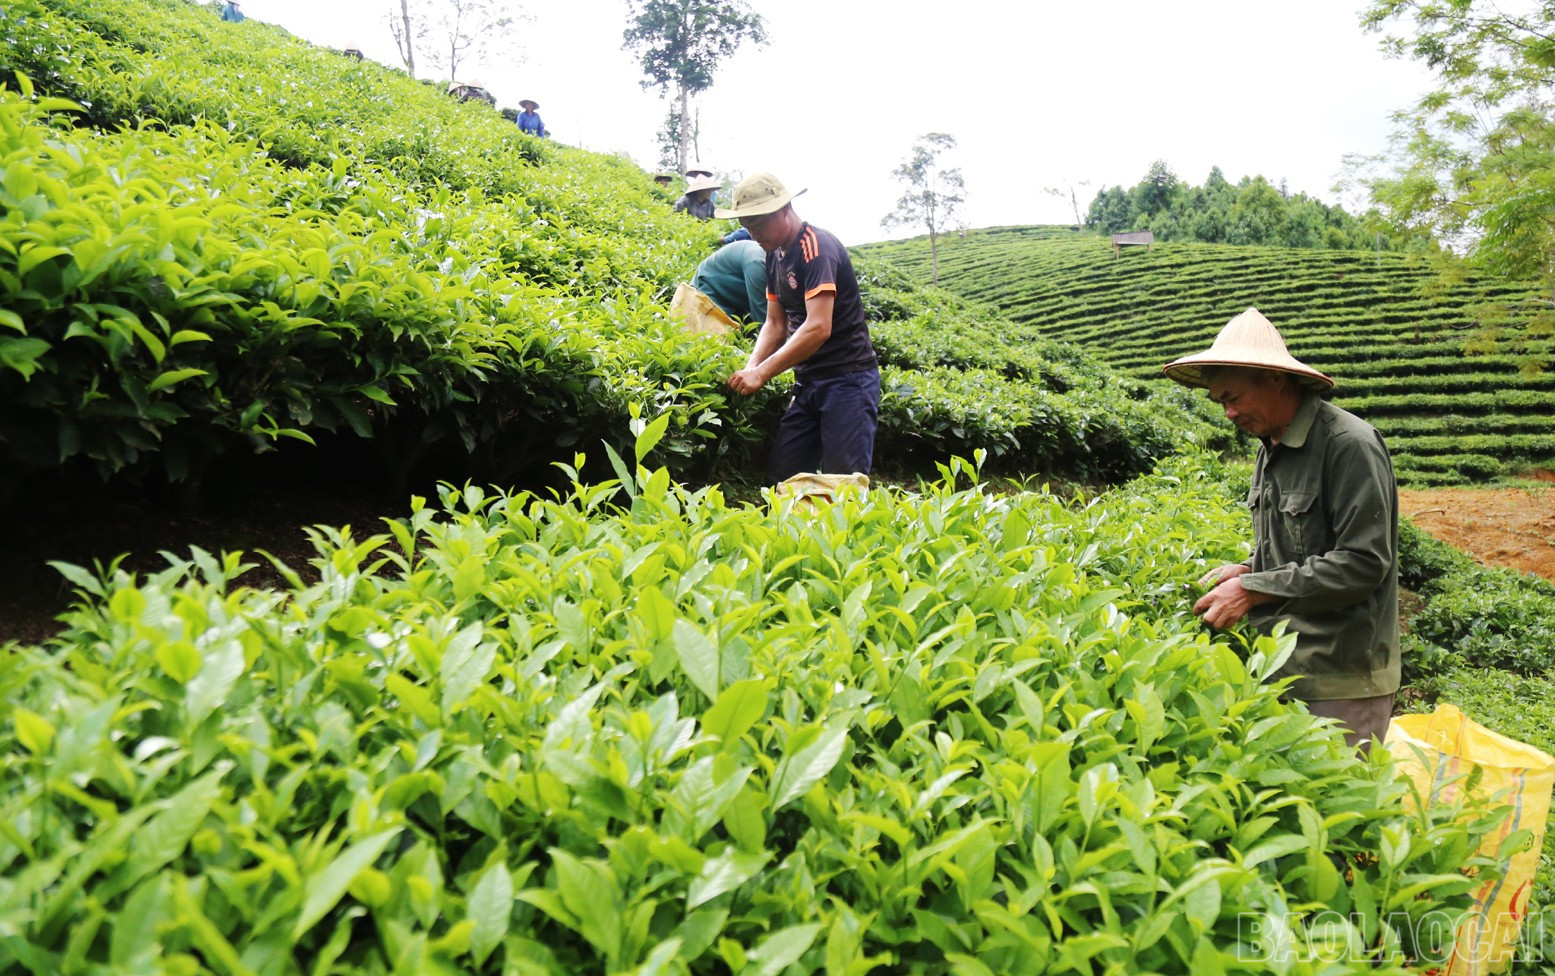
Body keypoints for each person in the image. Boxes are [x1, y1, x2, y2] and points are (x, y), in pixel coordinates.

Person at [1165, 307, 1399, 751]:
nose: (1229, 413)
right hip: (1281, 666)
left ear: (1274, 379)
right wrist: (1247, 568)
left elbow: (1362, 564)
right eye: (1220, 403)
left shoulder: (1348, 445)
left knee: (1337, 813)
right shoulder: (1270, 446)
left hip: (1340, 682)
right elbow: (1301, 548)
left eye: (1234, 398)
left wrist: (1253, 589)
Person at [717, 173, 880, 482]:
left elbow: (818, 327)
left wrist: (762, 373)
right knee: (782, 477)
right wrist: (751, 366)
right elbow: (775, 324)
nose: (753, 234)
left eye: (759, 224)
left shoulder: (816, 247)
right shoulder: (772, 255)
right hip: (807, 382)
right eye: (747, 226)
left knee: (842, 484)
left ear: (785, 209)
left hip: (847, 381)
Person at [691, 240, 767, 323]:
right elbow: (763, 316)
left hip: (734, 296)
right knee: (713, 331)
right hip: (709, 287)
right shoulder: (756, 264)